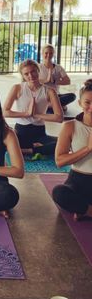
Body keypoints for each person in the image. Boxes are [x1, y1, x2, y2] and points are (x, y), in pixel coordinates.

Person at [4, 59, 63, 158]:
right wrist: (26, 114)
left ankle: (28, 150)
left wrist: (37, 115)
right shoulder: (17, 88)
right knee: (2, 140)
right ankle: (35, 148)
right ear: (23, 76)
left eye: (33, 71)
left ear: (38, 71)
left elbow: (59, 118)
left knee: (63, 143)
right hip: (21, 131)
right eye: (26, 74)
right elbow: (5, 112)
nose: (31, 76)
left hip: (39, 133)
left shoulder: (49, 91)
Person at [52, 79, 92, 221]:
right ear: (80, 103)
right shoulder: (70, 126)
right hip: (78, 181)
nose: (91, 107)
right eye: (87, 102)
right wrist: (87, 148)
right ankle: (88, 210)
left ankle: (84, 210)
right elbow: (59, 161)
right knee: (59, 193)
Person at [39, 44, 76, 112]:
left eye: (51, 53)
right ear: (42, 53)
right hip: (43, 96)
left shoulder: (58, 67)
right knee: (52, 111)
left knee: (72, 96)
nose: (48, 55)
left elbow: (68, 81)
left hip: (56, 96)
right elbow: (34, 81)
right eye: (46, 53)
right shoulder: (38, 67)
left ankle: (50, 106)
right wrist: (46, 80)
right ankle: (58, 106)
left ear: (53, 54)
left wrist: (54, 81)